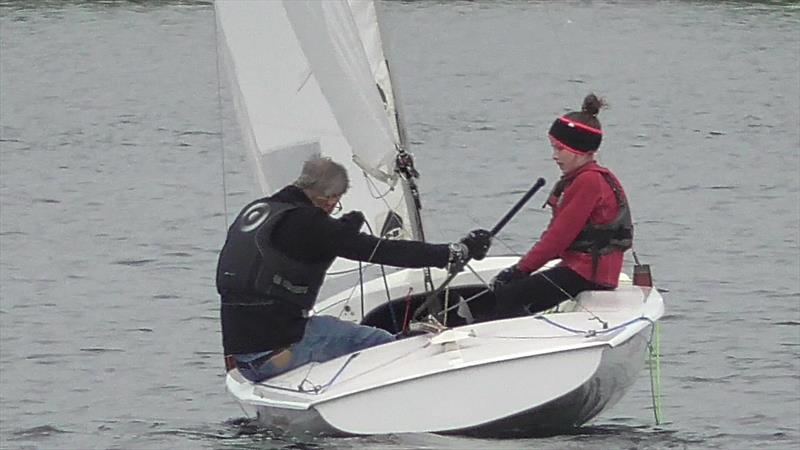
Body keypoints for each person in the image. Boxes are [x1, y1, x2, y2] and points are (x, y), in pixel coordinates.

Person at [216, 156, 492, 382]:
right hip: (279, 352)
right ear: (329, 197)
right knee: (389, 344)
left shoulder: (260, 211)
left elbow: (295, 256)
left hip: (243, 360)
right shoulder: (311, 223)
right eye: (336, 200)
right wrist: (454, 252)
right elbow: (383, 251)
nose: (334, 207)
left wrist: (341, 232)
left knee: (333, 331)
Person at [490, 94, 633, 319]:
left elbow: (558, 238)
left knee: (505, 296)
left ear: (579, 150)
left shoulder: (588, 182)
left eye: (559, 149)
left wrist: (520, 270)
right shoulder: (585, 178)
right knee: (515, 294)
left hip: (587, 274)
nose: (554, 156)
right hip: (583, 270)